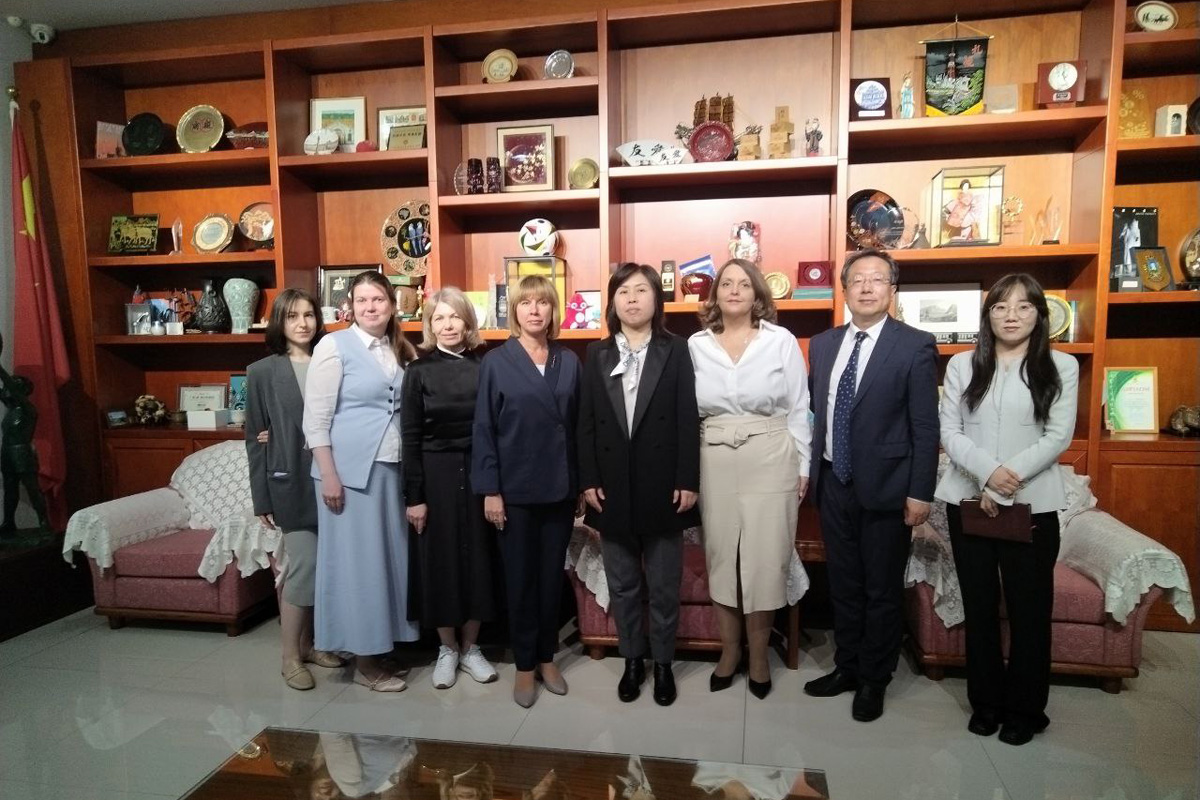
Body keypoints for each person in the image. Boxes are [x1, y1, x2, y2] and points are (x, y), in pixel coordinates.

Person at [935, 273, 1078, 746]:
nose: (1011, 315)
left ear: (1039, 314)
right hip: (968, 500)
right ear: (988, 315)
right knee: (979, 607)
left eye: (1023, 306)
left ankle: (1025, 710)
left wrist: (1004, 480)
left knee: (1029, 610)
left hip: (1033, 504)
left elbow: (1057, 436)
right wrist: (987, 474)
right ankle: (986, 703)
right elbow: (950, 432)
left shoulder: (1060, 366)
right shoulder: (963, 365)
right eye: (1000, 307)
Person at [803, 248, 939, 722]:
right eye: (857, 279)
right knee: (843, 584)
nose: (866, 287)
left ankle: (874, 680)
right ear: (844, 290)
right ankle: (847, 666)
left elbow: (925, 426)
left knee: (881, 588)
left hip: (887, 487)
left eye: (877, 279)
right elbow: (815, 412)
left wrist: (920, 492)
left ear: (892, 289)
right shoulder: (823, 344)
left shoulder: (915, 345)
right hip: (833, 482)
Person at [688, 258, 812, 700]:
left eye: (744, 284)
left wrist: (803, 465)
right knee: (721, 556)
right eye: (727, 283)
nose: (735, 290)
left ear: (758, 293)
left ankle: (759, 658)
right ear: (715, 294)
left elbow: (799, 406)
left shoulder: (781, 341)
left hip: (771, 453)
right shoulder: (696, 345)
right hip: (714, 455)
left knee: (765, 558)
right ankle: (729, 653)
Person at [577, 263, 700, 706]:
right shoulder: (596, 353)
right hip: (612, 487)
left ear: (656, 299)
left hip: (664, 485)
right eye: (623, 291)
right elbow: (586, 421)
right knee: (624, 583)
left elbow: (687, 416)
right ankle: (632, 660)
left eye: (641, 290)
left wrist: (687, 478)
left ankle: (663, 663)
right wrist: (588, 478)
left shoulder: (677, 349)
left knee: (664, 586)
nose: (632, 298)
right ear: (612, 302)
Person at [303, 270, 419, 692]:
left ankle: (380, 646)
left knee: (386, 563)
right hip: (349, 476)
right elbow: (315, 419)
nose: (371, 307)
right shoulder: (333, 346)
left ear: (392, 305)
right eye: (362, 300)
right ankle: (364, 663)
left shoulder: (399, 348)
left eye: (379, 300)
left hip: (391, 469)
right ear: (350, 306)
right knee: (358, 568)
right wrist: (329, 475)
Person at [472, 275, 581, 708]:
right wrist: (490, 490)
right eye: (526, 303)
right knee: (519, 580)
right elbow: (484, 428)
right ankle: (523, 664)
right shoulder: (496, 362)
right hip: (513, 491)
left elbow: (578, 427)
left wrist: (580, 484)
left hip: (559, 487)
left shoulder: (569, 360)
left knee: (551, 578)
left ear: (553, 310)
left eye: (543, 302)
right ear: (514, 311)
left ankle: (547, 657)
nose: (535, 310)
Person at [245, 289, 345, 690]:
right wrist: (261, 497)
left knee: (327, 569)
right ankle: (289, 657)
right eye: (292, 316)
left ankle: (311, 645)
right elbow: (255, 438)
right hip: (290, 483)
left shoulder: (332, 360)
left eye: (308, 314)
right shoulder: (262, 372)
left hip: (334, 478)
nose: (302, 323)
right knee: (304, 566)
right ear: (279, 322)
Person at [401, 287, 499, 690]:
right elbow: (409, 436)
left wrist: (494, 484)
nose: (448, 325)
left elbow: (497, 428)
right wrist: (415, 497)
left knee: (479, 559)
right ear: (429, 325)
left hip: (480, 472)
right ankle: (447, 648)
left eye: (455, 316)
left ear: (468, 321)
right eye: (439, 318)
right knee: (438, 561)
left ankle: (472, 647)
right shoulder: (418, 371)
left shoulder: (487, 367)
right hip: (435, 475)